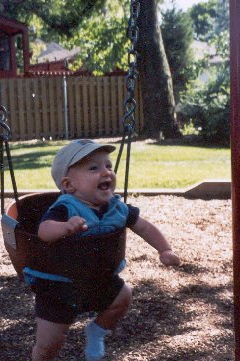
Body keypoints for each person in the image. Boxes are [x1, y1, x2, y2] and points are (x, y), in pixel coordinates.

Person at [30, 139, 181, 361]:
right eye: (94, 168)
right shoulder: (66, 207)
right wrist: (65, 227)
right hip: (59, 286)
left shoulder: (117, 208)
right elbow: (44, 230)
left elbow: (144, 226)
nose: (106, 172)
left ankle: (96, 331)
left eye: (108, 166)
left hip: (99, 279)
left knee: (123, 296)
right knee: (49, 344)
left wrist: (164, 249)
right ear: (69, 185)